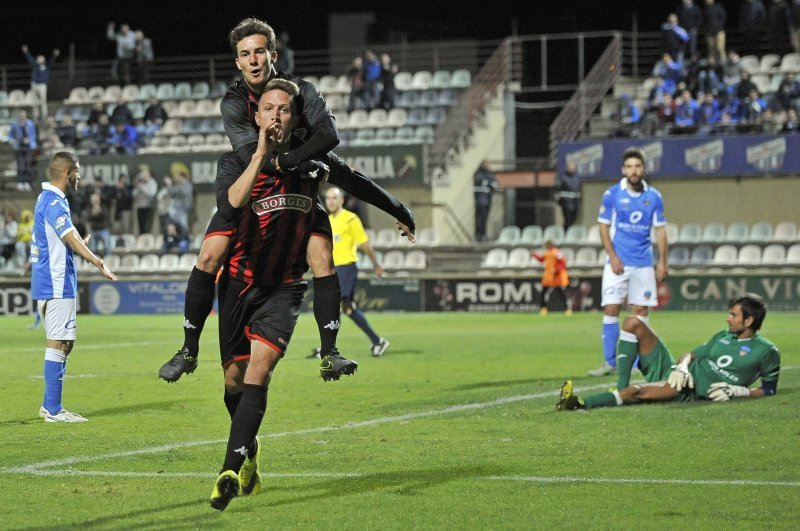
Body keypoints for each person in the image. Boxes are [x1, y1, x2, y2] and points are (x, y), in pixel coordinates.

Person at [158, 17, 415, 384]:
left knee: (322, 256)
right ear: (237, 62)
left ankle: (329, 353)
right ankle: (188, 349)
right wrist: (299, 160)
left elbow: (329, 136)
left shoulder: (301, 91)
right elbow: (251, 155)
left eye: (259, 51)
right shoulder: (233, 102)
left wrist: (397, 209)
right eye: (245, 54)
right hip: (253, 188)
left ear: (273, 54)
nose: (253, 60)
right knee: (209, 255)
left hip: (298, 189)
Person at [208, 78, 332, 510]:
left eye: (285, 110)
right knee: (232, 380)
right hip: (239, 285)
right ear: (255, 117)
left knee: (259, 371)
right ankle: (250, 452)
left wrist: (398, 210)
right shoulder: (236, 164)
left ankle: (228, 466)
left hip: (283, 289)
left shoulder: (313, 167)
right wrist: (261, 156)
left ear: (295, 118)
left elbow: (355, 180)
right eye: (269, 110)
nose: (276, 117)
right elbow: (229, 207)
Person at [558, 294, 780, 411]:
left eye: (733, 315)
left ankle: (581, 403)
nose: (727, 318)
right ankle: (620, 383)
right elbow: (690, 354)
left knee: (635, 392)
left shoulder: (767, 351)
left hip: (685, 389)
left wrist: (740, 392)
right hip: (675, 373)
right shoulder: (723, 335)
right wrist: (681, 367)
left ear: (749, 320)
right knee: (632, 322)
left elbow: (769, 390)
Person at [31, 151, 117, 423]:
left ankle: (49, 406)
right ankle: (54, 410)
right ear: (68, 173)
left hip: (54, 281)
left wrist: (82, 241)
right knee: (58, 342)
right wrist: (96, 260)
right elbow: (68, 235)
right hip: (55, 283)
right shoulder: (54, 201)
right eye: (78, 171)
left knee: (65, 343)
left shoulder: (47, 199)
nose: (80, 177)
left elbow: (67, 234)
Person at [590, 148, 668, 388]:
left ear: (644, 168)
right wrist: (612, 256)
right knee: (611, 308)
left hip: (643, 263)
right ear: (624, 170)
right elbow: (603, 227)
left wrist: (663, 260)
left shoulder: (654, 196)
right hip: (618, 263)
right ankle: (610, 362)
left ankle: (636, 362)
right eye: (630, 166)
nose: (634, 170)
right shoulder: (612, 194)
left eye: (638, 166)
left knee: (640, 311)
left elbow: (660, 230)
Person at [313, 186, 390, 358]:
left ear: (342, 200)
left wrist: (376, 265)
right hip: (332, 269)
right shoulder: (327, 220)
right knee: (347, 309)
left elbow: (364, 244)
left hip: (346, 267)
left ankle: (328, 347)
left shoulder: (350, 219)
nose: (331, 201)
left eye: (334, 197)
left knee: (335, 306)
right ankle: (377, 341)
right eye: (328, 198)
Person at [531, 239, 571, 316]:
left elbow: (563, 263)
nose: (545, 246)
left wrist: (556, 269)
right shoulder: (547, 253)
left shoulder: (556, 252)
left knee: (561, 293)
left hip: (556, 276)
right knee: (544, 293)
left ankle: (567, 309)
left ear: (550, 245)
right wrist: (534, 255)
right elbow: (541, 259)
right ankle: (543, 309)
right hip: (548, 276)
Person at [21, 44, 59, 120]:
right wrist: (26, 52)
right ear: (37, 60)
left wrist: (55, 55)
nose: (40, 59)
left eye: (41, 58)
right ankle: (36, 115)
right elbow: (30, 59)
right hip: (35, 84)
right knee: (34, 101)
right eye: (39, 58)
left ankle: (44, 114)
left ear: (44, 60)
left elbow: (52, 61)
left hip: (42, 85)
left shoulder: (47, 67)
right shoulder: (35, 66)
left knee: (43, 100)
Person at [8, 110, 38, 192]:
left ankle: (27, 182)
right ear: (19, 116)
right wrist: (12, 140)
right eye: (21, 116)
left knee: (27, 164)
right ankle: (20, 182)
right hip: (18, 147)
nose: (22, 117)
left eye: (23, 116)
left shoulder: (30, 124)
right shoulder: (15, 125)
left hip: (28, 147)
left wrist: (29, 140)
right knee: (20, 165)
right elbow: (10, 135)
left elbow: (33, 135)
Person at [473, 160, 498, 242]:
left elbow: (495, 184)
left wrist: (489, 183)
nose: (488, 166)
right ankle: (478, 235)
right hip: (480, 200)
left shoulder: (490, 174)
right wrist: (489, 183)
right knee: (480, 218)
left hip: (488, 199)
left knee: (485, 218)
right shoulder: (478, 174)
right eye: (486, 164)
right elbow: (480, 182)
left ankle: (483, 235)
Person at [132, 164, 157, 234]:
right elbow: (134, 194)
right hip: (140, 206)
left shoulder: (152, 182)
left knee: (147, 225)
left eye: (145, 174)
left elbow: (152, 194)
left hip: (148, 206)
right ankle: (142, 238)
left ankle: (147, 238)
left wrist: (143, 188)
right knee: (141, 226)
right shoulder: (140, 182)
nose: (143, 176)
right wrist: (138, 187)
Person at [556, 161, 581, 230]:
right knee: (568, 219)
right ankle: (565, 232)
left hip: (575, 201)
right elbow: (558, 188)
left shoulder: (577, 177)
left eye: (573, 167)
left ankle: (571, 232)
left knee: (574, 218)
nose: (571, 169)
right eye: (570, 167)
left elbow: (579, 189)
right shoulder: (563, 177)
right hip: (566, 202)